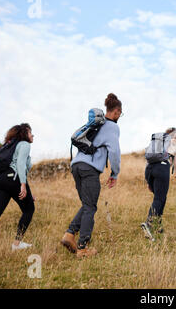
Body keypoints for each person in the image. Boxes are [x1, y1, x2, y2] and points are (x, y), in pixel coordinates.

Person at [61, 93, 122, 258]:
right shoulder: (112, 127)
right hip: (89, 169)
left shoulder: (96, 124)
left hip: (76, 166)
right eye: (120, 114)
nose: (119, 117)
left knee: (87, 204)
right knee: (90, 207)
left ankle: (69, 235)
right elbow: (115, 152)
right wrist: (115, 173)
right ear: (116, 111)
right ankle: (82, 248)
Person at [0, 123, 35, 256]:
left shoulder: (10, 145)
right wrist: (23, 185)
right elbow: (20, 165)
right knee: (29, 209)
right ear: (24, 134)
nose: (32, 135)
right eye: (30, 132)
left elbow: (18, 168)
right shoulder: (24, 145)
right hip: (13, 179)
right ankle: (16, 244)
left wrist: (27, 191)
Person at [141, 127, 176, 240]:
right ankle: (149, 224)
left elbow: (149, 159)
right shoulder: (174, 144)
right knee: (159, 199)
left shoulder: (157, 143)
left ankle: (158, 225)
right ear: (175, 136)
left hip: (149, 169)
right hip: (162, 168)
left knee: (160, 198)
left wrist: (148, 180)